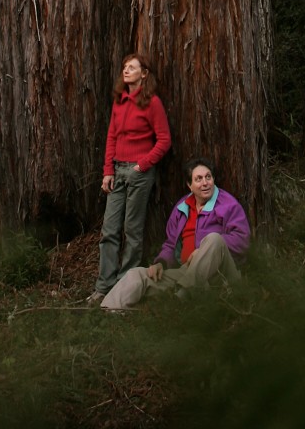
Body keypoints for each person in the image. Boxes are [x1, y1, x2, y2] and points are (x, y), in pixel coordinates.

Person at [99, 156, 250, 311]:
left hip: (220, 274)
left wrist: (203, 250)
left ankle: (183, 298)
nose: (205, 183)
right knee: (137, 274)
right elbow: (171, 244)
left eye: (208, 177)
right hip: (185, 273)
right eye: (198, 179)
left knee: (214, 239)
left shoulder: (228, 204)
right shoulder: (182, 208)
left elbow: (242, 240)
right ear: (189, 185)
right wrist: (161, 263)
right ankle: (108, 310)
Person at [87, 53, 172, 303]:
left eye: (132, 67)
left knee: (132, 231)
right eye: (125, 66)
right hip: (117, 171)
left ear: (144, 73)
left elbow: (164, 140)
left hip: (139, 173)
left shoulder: (152, 102)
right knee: (109, 230)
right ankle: (104, 286)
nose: (126, 70)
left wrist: (142, 165)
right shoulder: (119, 101)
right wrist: (107, 171)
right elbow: (112, 137)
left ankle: (124, 288)